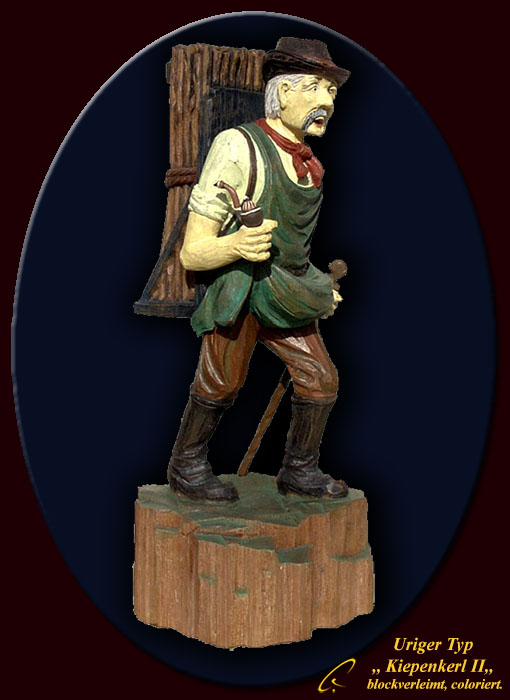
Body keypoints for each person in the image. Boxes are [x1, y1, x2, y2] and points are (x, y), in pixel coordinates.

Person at [168, 38, 351, 502]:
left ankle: (299, 470)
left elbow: (292, 253)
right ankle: (186, 465)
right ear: (283, 92)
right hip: (242, 288)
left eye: (331, 91)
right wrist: (235, 244)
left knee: (321, 381)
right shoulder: (238, 147)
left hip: (285, 289)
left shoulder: (309, 165)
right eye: (316, 88)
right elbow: (192, 253)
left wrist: (318, 287)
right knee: (221, 382)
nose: (328, 102)